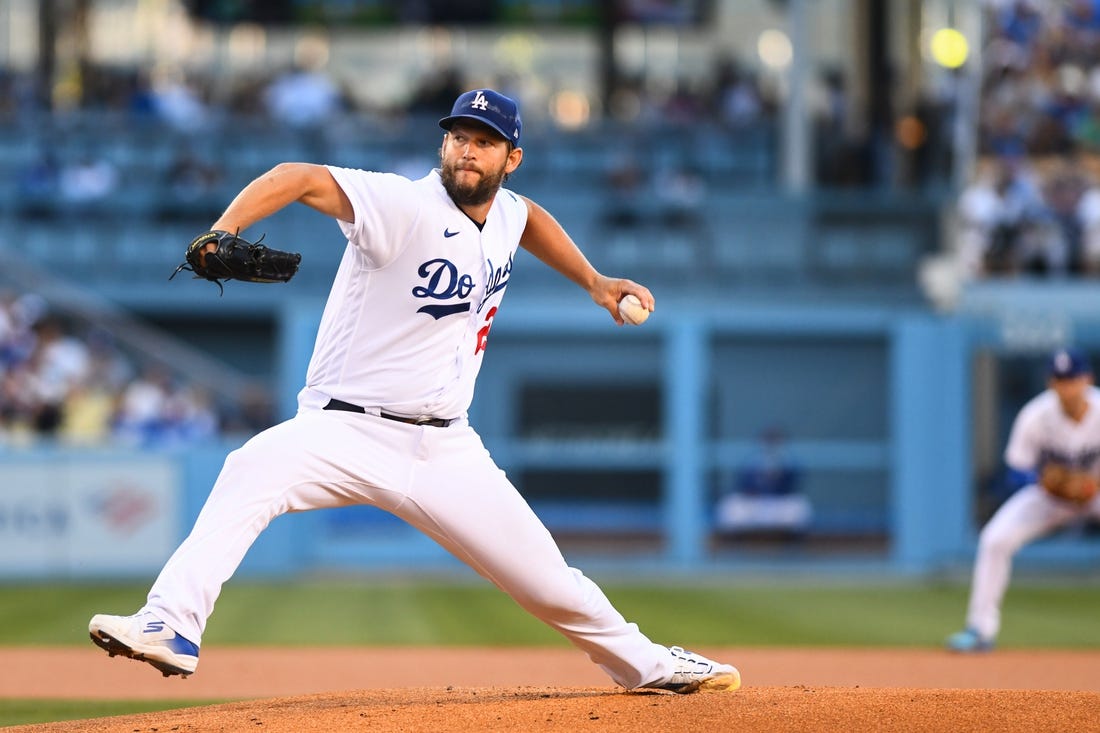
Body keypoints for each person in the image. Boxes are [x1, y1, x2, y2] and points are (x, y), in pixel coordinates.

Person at [87, 89, 740, 694]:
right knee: (248, 468)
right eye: (458, 135)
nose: (466, 149)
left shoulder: (507, 213)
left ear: (512, 157)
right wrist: (222, 229)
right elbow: (300, 176)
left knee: (548, 581)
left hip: (447, 449)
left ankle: (648, 665)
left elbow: (528, 217)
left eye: (484, 140)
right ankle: (170, 623)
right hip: (343, 429)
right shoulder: (403, 206)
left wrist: (594, 281)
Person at [947, 347, 1100, 653]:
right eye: (1059, 379)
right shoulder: (1035, 415)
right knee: (994, 539)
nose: (1066, 386)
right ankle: (980, 629)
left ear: (1087, 380)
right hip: (1050, 498)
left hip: (1095, 493)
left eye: (1072, 378)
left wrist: (1090, 485)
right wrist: (1043, 481)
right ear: (1050, 384)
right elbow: (1016, 471)